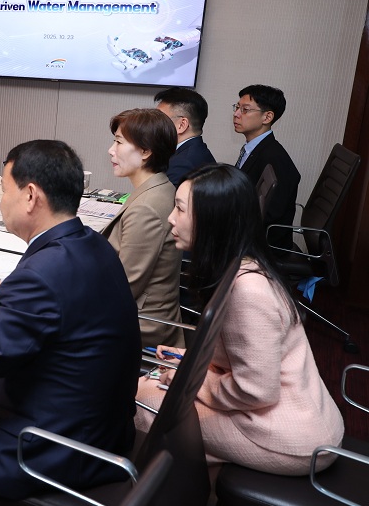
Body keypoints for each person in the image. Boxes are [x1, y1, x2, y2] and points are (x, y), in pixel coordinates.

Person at [0, 140, 141, 500]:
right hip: (102, 425)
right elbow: (67, 291)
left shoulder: (41, 275)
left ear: (30, 196)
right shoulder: (91, 244)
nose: (1, 200)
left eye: (4, 190)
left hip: (46, 446)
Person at [137, 164, 343, 475]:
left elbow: (257, 391)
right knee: (149, 387)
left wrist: (191, 381)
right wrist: (192, 361)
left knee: (143, 402)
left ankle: (156, 497)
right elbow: (243, 358)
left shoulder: (248, 291)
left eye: (179, 209)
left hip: (291, 436)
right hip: (285, 414)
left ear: (212, 221)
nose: (170, 218)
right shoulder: (239, 265)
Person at [102, 108, 183, 348]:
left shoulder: (146, 207)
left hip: (142, 324)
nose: (111, 150)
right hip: (147, 311)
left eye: (118, 142)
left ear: (146, 151)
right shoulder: (159, 187)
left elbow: (123, 287)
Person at [233, 84, 300, 249]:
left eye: (245, 110)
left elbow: (269, 215)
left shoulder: (275, 159)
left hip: (262, 245)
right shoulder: (256, 148)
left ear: (267, 117)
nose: (236, 114)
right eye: (237, 107)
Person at [153, 87, 215, 186]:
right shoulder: (196, 151)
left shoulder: (182, 164)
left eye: (159, 119)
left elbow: (161, 200)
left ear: (182, 125)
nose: (153, 124)